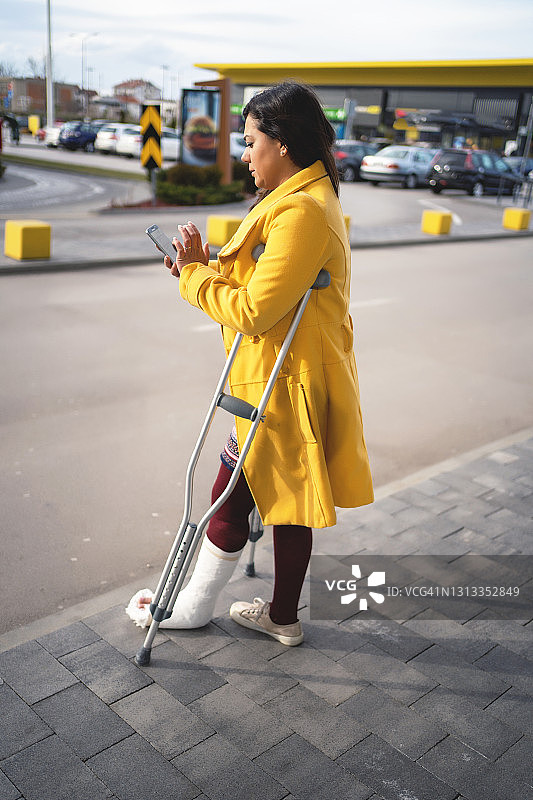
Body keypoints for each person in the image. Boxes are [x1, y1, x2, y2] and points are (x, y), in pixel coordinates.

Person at [131, 81, 373, 646]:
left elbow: (255, 309)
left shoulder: (303, 212)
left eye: (250, 141)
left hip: (280, 386)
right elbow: (267, 280)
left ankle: (191, 607)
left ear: (282, 143)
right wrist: (206, 265)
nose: (244, 154)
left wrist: (195, 278)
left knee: (231, 489)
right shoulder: (299, 200)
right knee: (284, 498)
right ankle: (283, 617)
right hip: (284, 378)